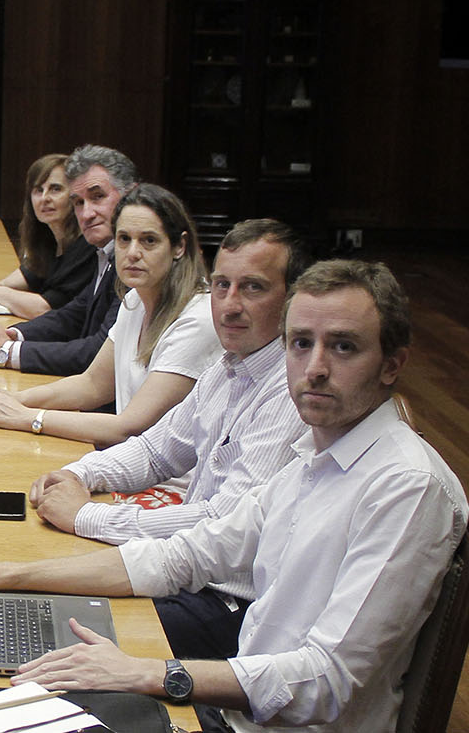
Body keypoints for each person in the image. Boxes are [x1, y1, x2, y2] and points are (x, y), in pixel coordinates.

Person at [0, 260, 469, 733]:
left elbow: (325, 680)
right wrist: (1, 576)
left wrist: (147, 673)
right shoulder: (314, 455)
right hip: (234, 713)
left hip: (262, 725)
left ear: (392, 365)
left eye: (344, 346)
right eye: (300, 343)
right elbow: (185, 556)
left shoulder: (406, 485)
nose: (314, 367)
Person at [28, 219, 310, 661]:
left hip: (230, 606)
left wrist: (86, 515)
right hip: (181, 574)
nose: (230, 304)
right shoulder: (229, 366)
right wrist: (77, 473)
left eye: (253, 288)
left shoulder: (292, 390)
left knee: (48, 632)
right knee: (32, 601)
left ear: (293, 299)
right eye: (222, 285)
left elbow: (220, 522)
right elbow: (155, 450)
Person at [0, 184, 220, 451]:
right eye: (124, 239)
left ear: (179, 247)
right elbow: (93, 384)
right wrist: (11, 398)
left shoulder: (197, 320)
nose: (133, 253)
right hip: (127, 460)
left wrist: (27, 417)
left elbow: (128, 427)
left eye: (149, 241)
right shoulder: (134, 300)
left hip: (161, 473)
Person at [0, 145, 139, 376]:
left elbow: (98, 353)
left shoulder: (135, 262)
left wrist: (7, 351)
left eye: (98, 197)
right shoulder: (106, 253)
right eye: (79, 202)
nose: (87, 213)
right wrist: (11, 335)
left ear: (131, 196)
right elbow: (72, 316)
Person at [0, 153, 92, 319]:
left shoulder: (87, 245)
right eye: (38, 190)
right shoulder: (49, 240)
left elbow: (44, 309)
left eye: (55, 189)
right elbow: (29, 275)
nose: (44, 198)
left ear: (76, 196)